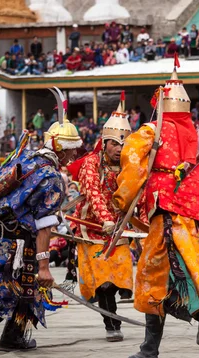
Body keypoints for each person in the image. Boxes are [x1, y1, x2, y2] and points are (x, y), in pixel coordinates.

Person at [113, 61, 199, 358]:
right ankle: (155, 345)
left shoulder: (152, 130)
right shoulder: (195, 134)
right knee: (188, 263)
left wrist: (122, 201)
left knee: (151, 275)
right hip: (198, 210)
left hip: (167, 206)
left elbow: (132, 162)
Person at [0, 89, 84, 351]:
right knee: (29, 289)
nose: (73, 156)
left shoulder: (24, 156)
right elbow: (44, 225)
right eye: (71, 150)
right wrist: (44, 267)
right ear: (59, 148)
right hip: (20, 241)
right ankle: (12, 335)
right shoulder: (52, 178)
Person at [70, 98, 134, 342]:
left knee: (119, 276)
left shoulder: (130, 166)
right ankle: (112, 323)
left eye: (123, 144)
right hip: (92, 229)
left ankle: (112, 314)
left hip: (119, 230)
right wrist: (105, 219)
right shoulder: (90, 163)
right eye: (115, 144)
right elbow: (93, 193)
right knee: (104, 282)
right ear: (105, 142)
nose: (119, 149)